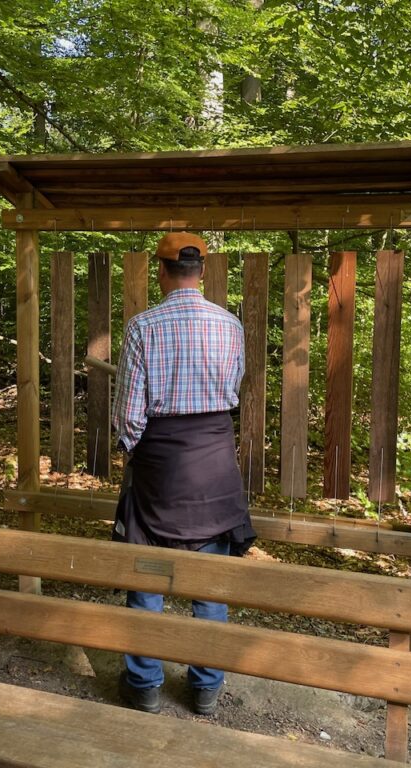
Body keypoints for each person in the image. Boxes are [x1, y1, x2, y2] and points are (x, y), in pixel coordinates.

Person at [111, 232, 255, 717]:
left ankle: (145, 685)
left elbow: (129, 416)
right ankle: (206, 687)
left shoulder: (142, 327)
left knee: (147, 576)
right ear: (203, 271)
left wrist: (142, 454)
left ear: (161, 271)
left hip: (161, 466)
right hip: (215, 462)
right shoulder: (229, 325)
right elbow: (231, 388)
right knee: (209, 581)